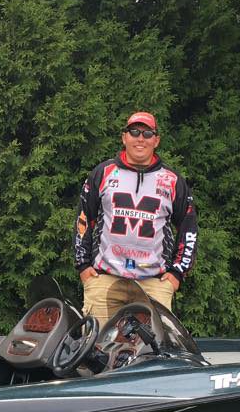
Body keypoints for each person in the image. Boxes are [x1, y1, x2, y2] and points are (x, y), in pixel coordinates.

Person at [74, 111, 198, 327]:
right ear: (124, 137)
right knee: (95, 351)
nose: (140, 138)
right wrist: (83, 265)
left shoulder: (172, 180)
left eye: (147, 133)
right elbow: (84, 219)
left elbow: (188, 229)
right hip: (105, 277)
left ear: (156, 140)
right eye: (134, 132)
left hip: (154, 282)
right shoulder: (103, 172)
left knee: (154, 352)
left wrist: (177, 273)